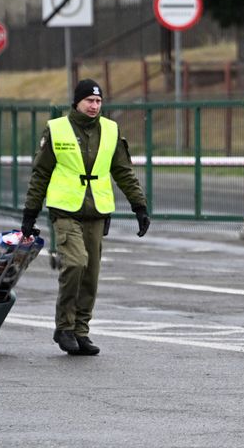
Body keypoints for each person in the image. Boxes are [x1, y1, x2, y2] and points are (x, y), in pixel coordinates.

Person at [21, 79, 150, 356]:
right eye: (89, 101)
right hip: (65, 211)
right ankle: (64, 327)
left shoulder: (111, 130)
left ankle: (81, 331)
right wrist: (30, 213)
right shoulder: (57, 129)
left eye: (98, 101)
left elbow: (123, 171)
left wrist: (139, 206)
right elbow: (40, 173)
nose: (94, 106)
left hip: (97, 212)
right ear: (77, 102)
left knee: (91, 274)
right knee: (76, 263)